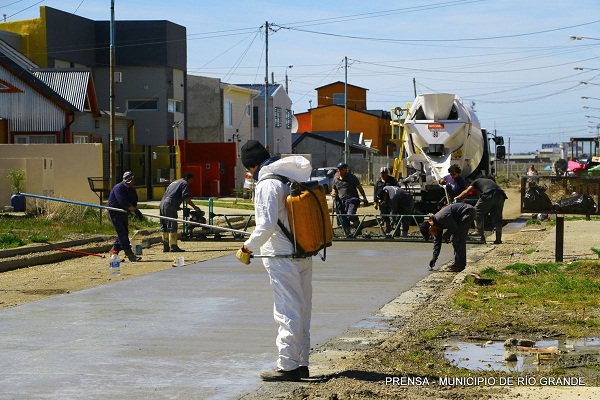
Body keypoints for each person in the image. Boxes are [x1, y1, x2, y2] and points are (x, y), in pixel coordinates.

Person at [235, 140, 314, 382]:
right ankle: (301, 363)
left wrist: (247, 248)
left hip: (281, 256)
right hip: (303, 250)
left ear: (250, 167)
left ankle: (287, 366)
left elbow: (266, 225)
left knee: (287, 310)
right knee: (302, 309)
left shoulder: (267, 184)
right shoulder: (287, 179)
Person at [419, 202, 477, 272]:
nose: (432, 235)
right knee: (456, 239)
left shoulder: (441, 218)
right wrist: (434, 258)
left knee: (458, 239)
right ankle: (457, 263)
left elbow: (454, 227)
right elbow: (437, 242)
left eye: (430, 234)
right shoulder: (436, 225)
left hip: (467, 212)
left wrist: (446, 235)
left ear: (430, 228)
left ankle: (459, 265)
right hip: (462, 214)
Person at [454, 177, 508, 244]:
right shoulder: (487, 182)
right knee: (497, 218)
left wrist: (457, 197)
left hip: (489, 194)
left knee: (476, 212)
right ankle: (498, 239)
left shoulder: (475, 182)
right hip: (501, 195)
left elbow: (467, 191)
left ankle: (479, 234)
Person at [159, 172, 202, 252]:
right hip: (170, 204)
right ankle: (173, 246)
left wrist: (177, 206)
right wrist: (195, 207)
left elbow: (171, 194)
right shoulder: (184, 183)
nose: (190, 183)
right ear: (187, 178)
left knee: (164, 225)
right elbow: (186, 198)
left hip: (162, 204)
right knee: (172, 224)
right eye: (190, 181)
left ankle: (165, 246)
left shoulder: (174, 183)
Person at [107, 171, 142, 262]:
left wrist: (135, 210)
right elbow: (122, 202)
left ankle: (113, 253)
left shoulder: (131, 189)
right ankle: (129, 254)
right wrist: (133, 209)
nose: (133, 181)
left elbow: (134, 201)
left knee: (124, 232)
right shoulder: (119, 188)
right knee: (122, 232)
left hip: (123, 212)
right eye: (132, 180)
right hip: (114, 211)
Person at [331, 162, 369, 235]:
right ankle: (347, 233)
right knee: (343, 218)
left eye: (341, 169)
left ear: (345, 169)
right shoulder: (335, 178)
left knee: (350, 215)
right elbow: (334, 188)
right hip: (341, 201)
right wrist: (333, 193)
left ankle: (358, 227)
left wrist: (364, 198)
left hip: (352, 200)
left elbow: (360, 188)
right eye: (338, 169)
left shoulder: (352, 177)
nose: (340, 171)